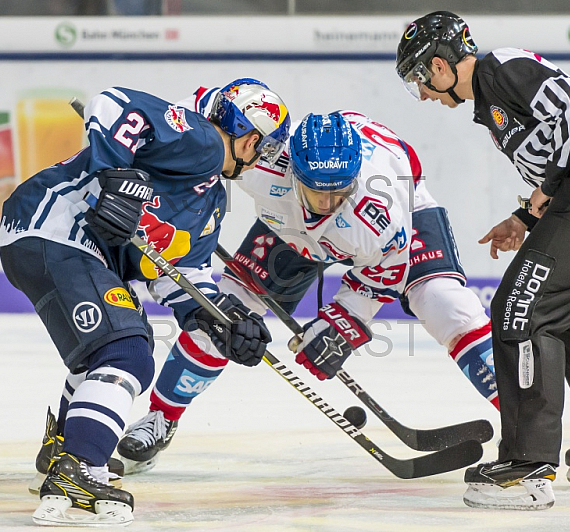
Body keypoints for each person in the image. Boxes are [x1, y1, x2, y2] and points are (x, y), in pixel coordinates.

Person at [115, 94, 499, 475]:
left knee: (449, 308)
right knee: (223, 316)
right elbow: (192, 113)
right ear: (291, 169)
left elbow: (383, 273)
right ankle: (160, 418)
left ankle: (526, 434)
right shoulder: (262, 159)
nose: (328, 201)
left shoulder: (379, 212)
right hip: (288, 228)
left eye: (339, 190)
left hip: (403, 223)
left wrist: (344, 323)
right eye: (317, 189)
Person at [396, 11, 570, 510]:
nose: (426, 95)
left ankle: (526, 467)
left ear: (439, 65)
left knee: (520, 311)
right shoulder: (493, 98)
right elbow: (562, 158)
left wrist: (544, 190)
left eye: (420, 80)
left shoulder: (501, 67)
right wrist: (523, 216)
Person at [0, 81, 290, 525]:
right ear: (250, 138)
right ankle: (81, 467)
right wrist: (118, 177)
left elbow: (179, 274)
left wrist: (219, 319)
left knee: (101, 357)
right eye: (262, 148)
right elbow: (113, 102)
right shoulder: (202, 140)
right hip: (56, 229)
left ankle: (65, 447)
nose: (258, 157)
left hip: (57, 245)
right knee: (127, 353)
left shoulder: (211, 204)